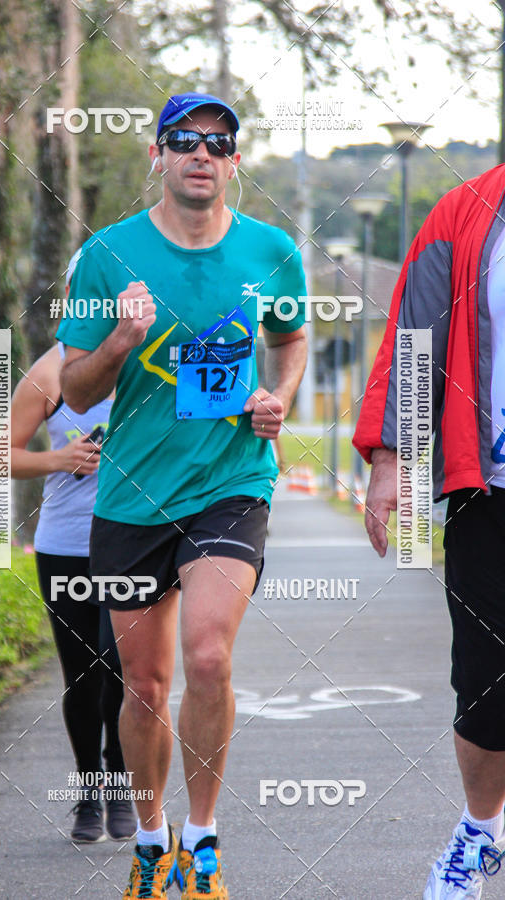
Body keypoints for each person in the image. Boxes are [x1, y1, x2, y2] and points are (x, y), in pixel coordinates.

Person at [57, 92, 308, 899]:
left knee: (207, 654)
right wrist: (123, 340)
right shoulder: (107, 256)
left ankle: (202, 843)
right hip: (131, 495)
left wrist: (280, 398)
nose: (202, 152)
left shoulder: (271, 252)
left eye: (218, 142)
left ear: (235, 162)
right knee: (145, 686)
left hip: (231, 482)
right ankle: (151, 840)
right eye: (184, 140)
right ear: (158, 157)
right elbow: (73, 384)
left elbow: (292, 333)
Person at [354, 162, 505, 899]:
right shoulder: (466, 210)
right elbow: (414, 341)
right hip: (491, 490)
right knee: (484, 688)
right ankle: (479, 832)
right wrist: (392, 462)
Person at [11, 254, 135, 845]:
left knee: (128, 672)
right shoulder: (49, 372)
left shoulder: (152, 360)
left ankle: (120, 780)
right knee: (84, 675)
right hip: (66, 544)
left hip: (138, 539)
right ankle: (89, 791)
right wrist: (58, 460)